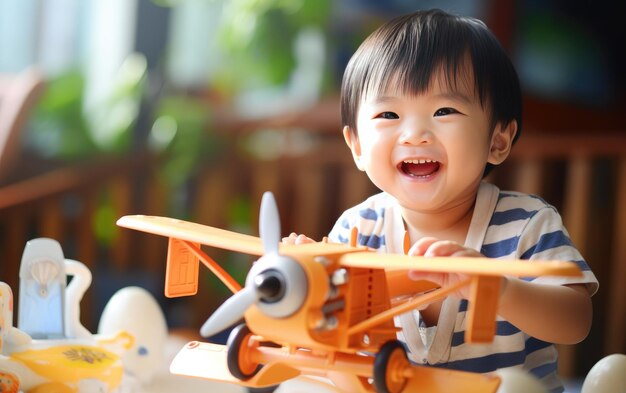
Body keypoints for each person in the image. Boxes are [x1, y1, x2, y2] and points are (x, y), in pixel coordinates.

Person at [283, 8, 598, 393]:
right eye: (388, 113)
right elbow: (331, 328)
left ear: (497, 141)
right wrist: (307, 279)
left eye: (444, 110)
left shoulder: (527, 223)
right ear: (358, 146)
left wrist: (500, 290)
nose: (415, 134)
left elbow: (575, 322)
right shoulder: (357, 229)